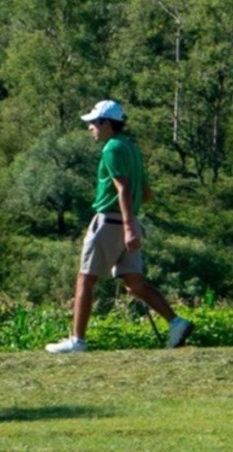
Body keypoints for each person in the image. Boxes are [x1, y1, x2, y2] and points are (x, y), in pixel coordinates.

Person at [46, 99, 194, 353]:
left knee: (85, 279)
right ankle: (176, 322)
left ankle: (77, 341)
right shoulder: (131, 148)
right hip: (130, 220)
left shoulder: (111, 149)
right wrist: (132, 223)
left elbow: (123, 188)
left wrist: (127, 227)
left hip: (111, 221)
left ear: (106, 123)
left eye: (93, 123)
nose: (90, 127)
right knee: (134, 284)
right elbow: (145, 193)